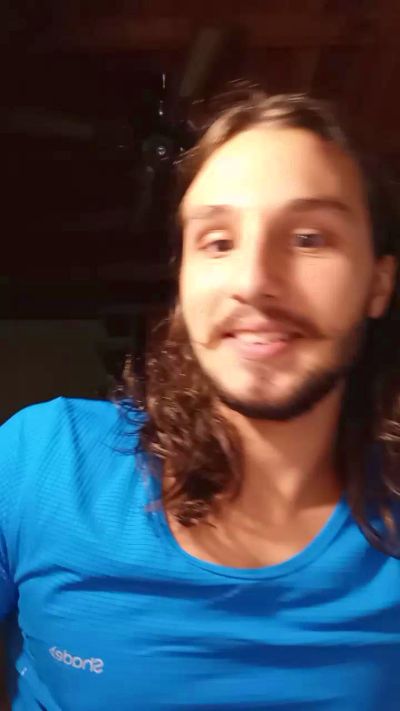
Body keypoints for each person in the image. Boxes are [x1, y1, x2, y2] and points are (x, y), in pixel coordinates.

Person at [0, 89, 399, 710]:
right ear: (184, 284)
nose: (254, 282)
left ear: (378, 282)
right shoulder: (42, 462)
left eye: (308, 237)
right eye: (217, 242)